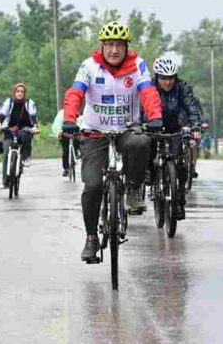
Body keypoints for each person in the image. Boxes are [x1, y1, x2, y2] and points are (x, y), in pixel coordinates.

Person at [61, 21, 163, 263]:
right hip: (94, 132)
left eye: (119, 45)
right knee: (93, 185)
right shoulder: (89, 66)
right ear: (102, 46)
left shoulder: (137, 65)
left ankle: (134, 188)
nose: (114, 50)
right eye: (109, 45)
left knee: (140, 142)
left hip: (127, 129)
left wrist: (155, 116)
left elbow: (148, 91)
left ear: (126, 47)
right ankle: (91, 238)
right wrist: (69, 118)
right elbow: (75, 93)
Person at [148, 56, 203, 219]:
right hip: (154, 123)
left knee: (180, 163)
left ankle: (179, 200)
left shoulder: (183, 87)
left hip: (177, 125)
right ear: (157, 77)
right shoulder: (149, 87)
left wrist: (195, 125)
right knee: (147, 145)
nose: (168, 82)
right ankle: (150, 174)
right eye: (163, 78)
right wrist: (145, 123)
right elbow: (143, 107)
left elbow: (191, 107)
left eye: (171, 78)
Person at [0, 83, 40, 186]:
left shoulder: (29, 103)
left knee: (26, 134)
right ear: (14, 92)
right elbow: (3, 113)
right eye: (17, 91)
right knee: (6, 153)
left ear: (24, 93)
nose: (19, 93)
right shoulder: (9, 102)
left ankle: (25, 157)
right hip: (10, 130)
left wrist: (35, 126)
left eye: (22, 92)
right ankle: (5, 181)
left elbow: (33, 115)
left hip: (24, 128)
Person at [52, 110, 81, 177]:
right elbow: (57, 123)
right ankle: (66, 168)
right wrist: (59, 132)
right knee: (65, 150)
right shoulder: (62, 112)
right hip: (64, 131)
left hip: (75, 130)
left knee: (77, 140)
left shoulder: (77, 111)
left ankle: (76, 152)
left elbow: (81, 121)